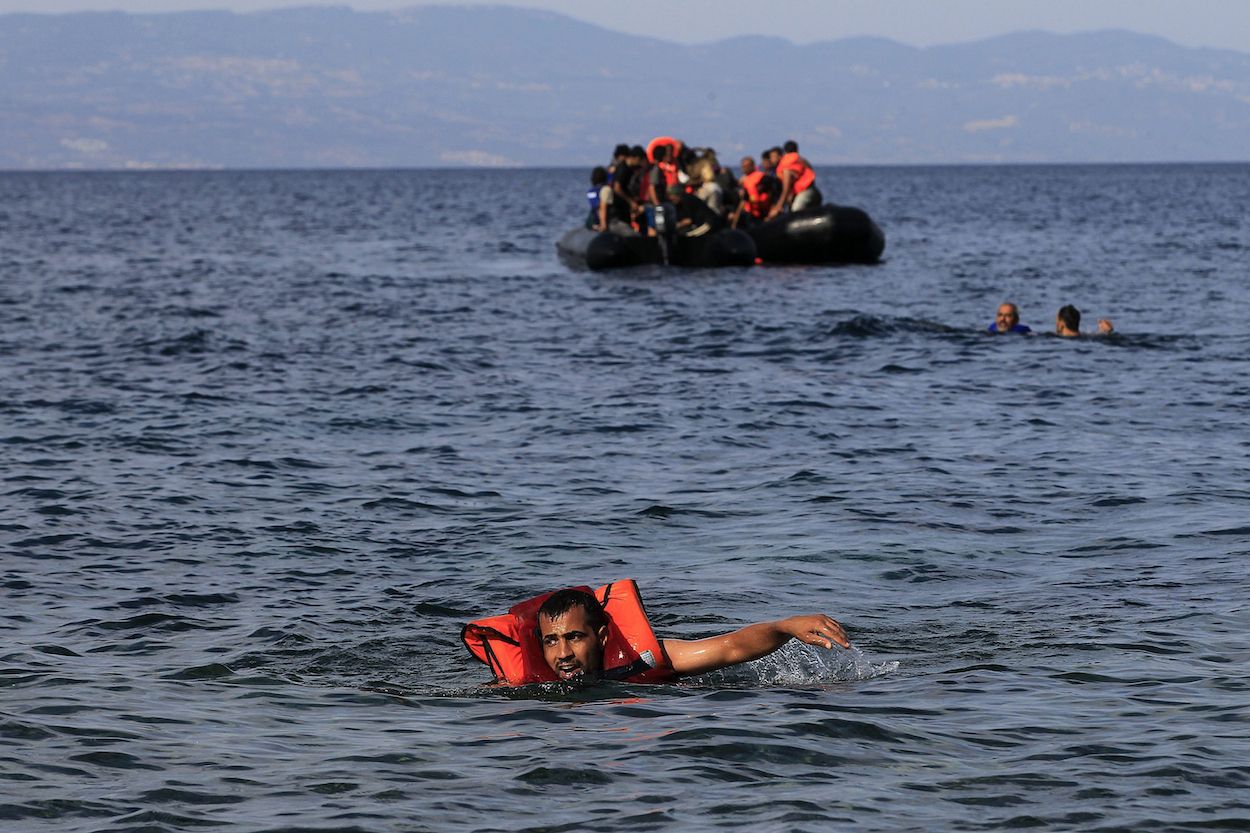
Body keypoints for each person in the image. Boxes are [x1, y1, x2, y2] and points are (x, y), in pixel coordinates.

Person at [537, 587, 849, 682]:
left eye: (574, 637)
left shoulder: (649, 658)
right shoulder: (523, 680)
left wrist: (786, 626)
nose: (562, 653)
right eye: (551, 640)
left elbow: (731, 648)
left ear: (602, 637)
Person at [768, 140, 821, 218]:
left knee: (795, 214)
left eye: (772, 157)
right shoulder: (801, 160)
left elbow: (786, 187)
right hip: (814, 192)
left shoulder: (786, 165)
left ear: (780, 156)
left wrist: (778, 206)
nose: (771, 160)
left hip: (806, 193)